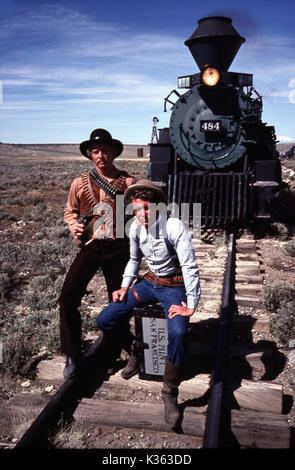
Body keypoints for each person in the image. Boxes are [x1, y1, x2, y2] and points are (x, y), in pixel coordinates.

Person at [96, 179, 201, 428]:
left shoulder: (173, 226)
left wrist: (192, 304)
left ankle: (169, 392)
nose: (142, 214)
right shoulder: (135, 228)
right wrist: (123, 286)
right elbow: (134, 260)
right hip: (149, 284)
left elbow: (189, 266)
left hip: (173, 287)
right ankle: (135, 350)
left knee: (178, 331)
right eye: (136, 209)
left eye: (146, 208)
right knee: (106, 318)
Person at [59, 128, 136, 379]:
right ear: (90, 155)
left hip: (118, 249)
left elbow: (144, 212)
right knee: (68, 296)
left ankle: (116, 351)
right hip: (91, 248)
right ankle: (72, 355)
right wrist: (74, 225)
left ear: (113, 152)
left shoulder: (128, 183)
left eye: (105, 150)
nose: (100, 155)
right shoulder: (79, 183)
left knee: (118, 303)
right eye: (95, 151)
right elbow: (69, 212)